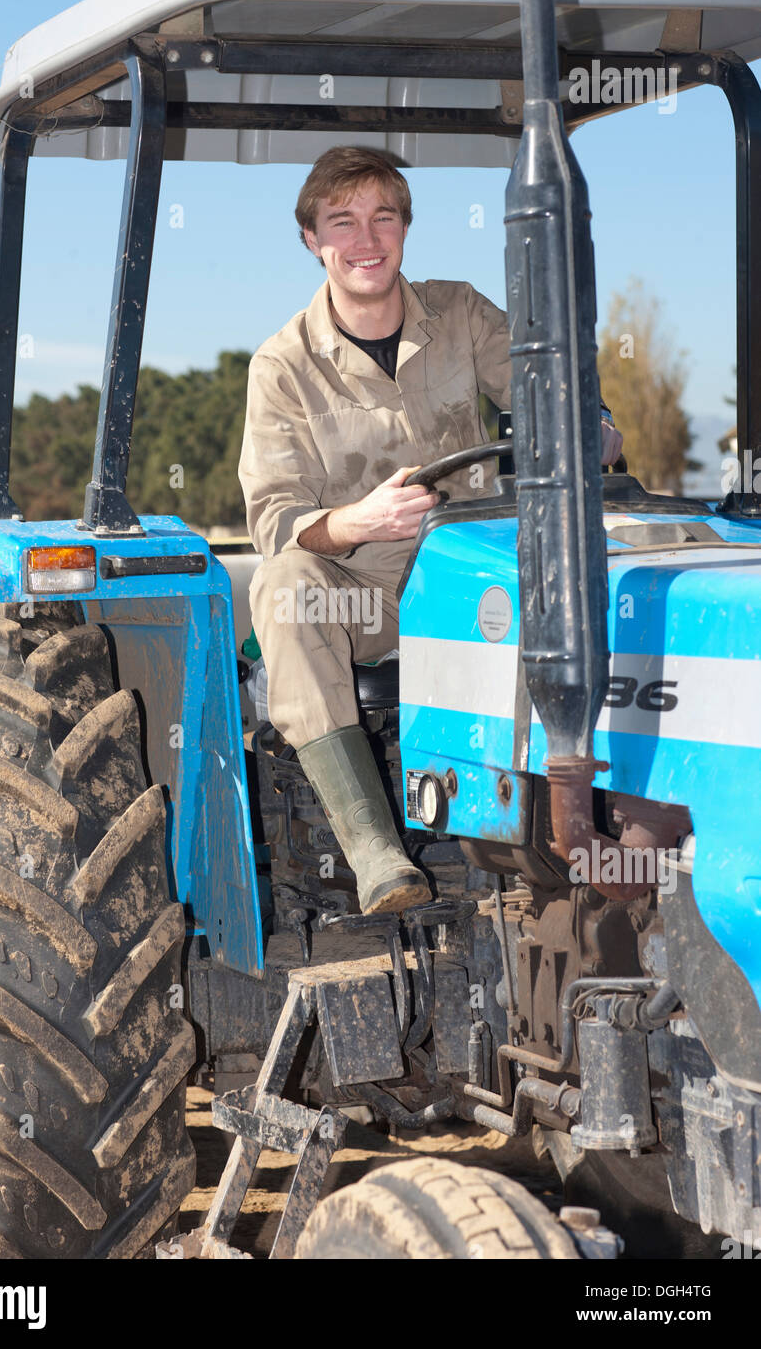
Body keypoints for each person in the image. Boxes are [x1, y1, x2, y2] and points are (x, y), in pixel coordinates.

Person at [239, 146, 622, 916]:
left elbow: (550, 391)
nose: (365, 238)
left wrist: (596, 431)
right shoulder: (283, 366)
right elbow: (277, 521)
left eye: (383, 216)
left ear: (405, 228)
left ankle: (598, 828)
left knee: (617, 573)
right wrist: (355, 520)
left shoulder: (461, 314)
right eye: (341, 222)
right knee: (286, 591)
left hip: (483, 572)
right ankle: (376, 850)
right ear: (313, 240)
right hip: (372, 596)